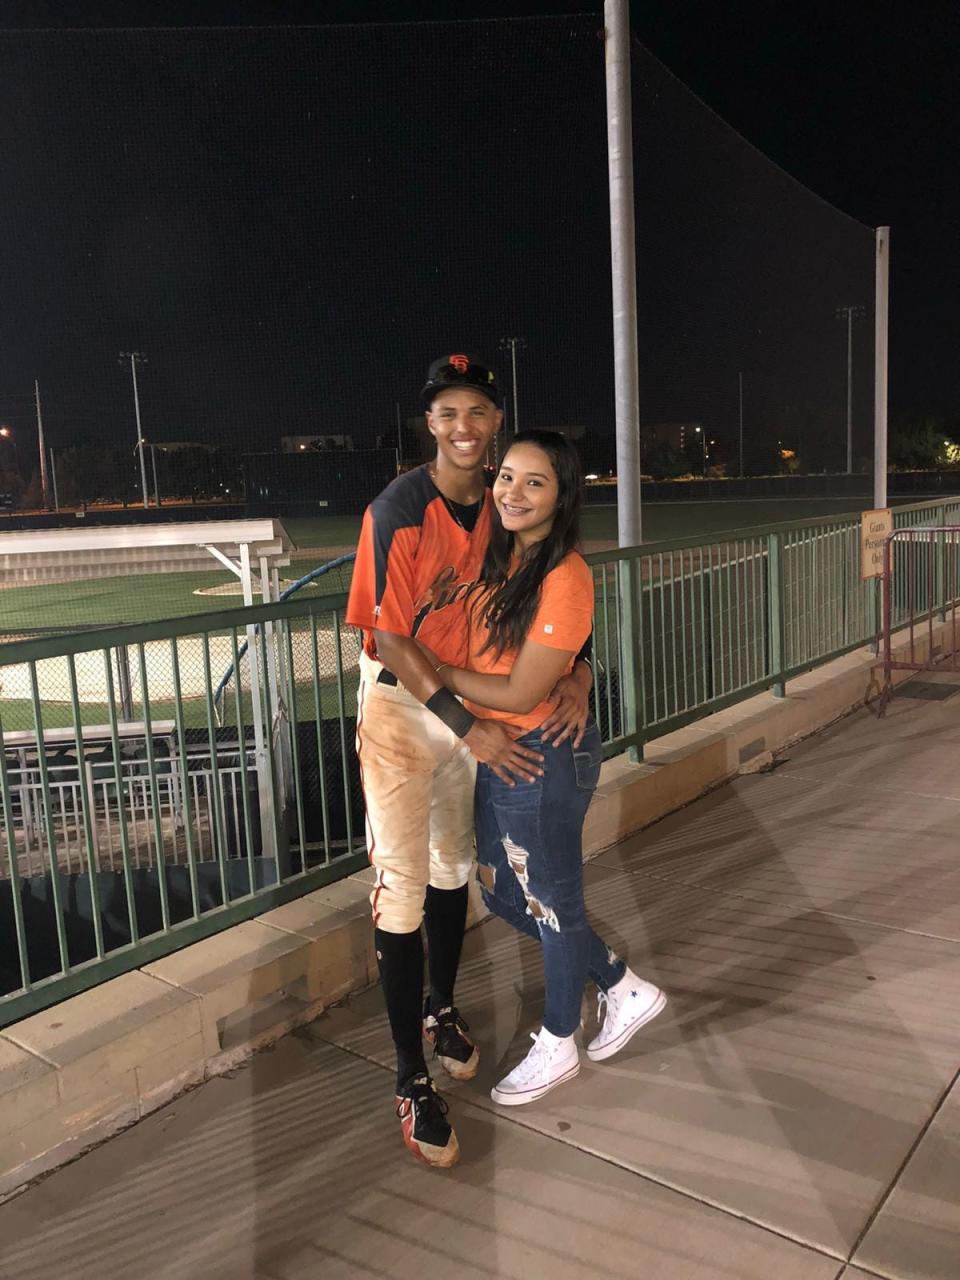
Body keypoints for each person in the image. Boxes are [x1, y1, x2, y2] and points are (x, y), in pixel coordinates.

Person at [345, 356, 592, 1168]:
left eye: (479, 412)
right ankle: (411, 1082)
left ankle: (439, 1008)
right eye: (448, 411)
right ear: (430, 422)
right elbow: (388, 635)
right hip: (403, 712)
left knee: (456, 869)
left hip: (468, 713)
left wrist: (579, 672)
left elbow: (550, 592)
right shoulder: (399, 509)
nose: (464, 427)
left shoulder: (499, 506)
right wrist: (466, 724)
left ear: (495, 423)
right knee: (405, 886)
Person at [431, 430, 667, 1106]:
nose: (513, 491)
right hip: (495, 753)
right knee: (504, 893)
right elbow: (571, 652)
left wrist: (430, 674)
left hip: (539, 758)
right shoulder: (496, 554)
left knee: (551, 904)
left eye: (534, 482)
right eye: (507, 476)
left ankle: (560, 1039)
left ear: (561, 496)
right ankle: (621, 985)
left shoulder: (563, 574)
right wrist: (582, 672)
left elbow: (522, 692)